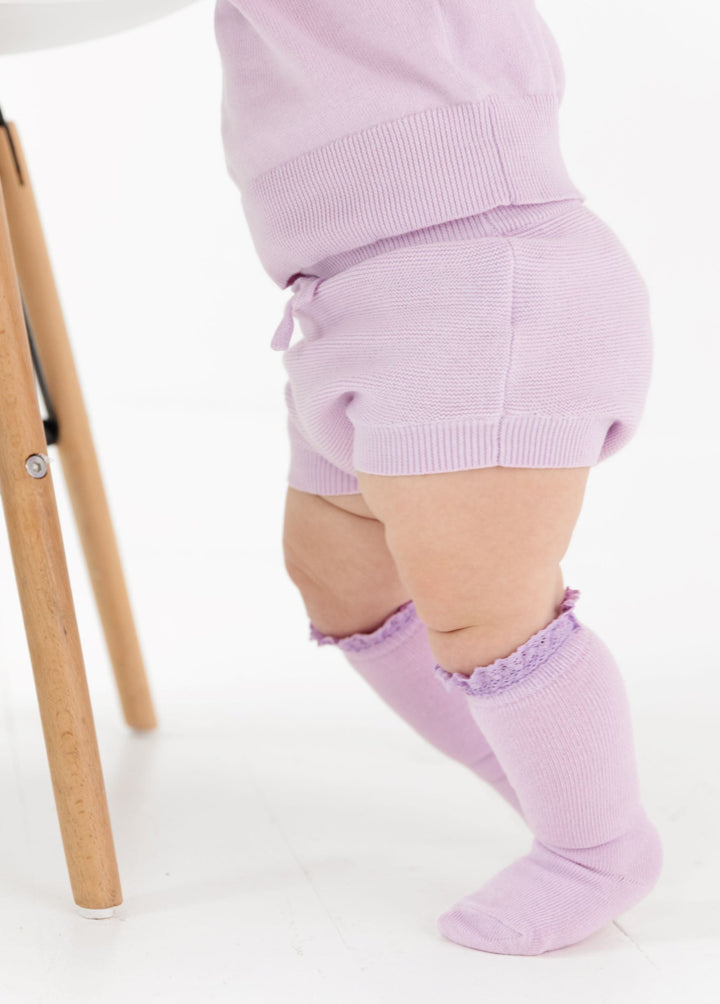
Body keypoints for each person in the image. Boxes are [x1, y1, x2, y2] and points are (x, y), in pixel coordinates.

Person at [213, 0, 663, 956]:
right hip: (346, 291)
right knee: (341, 572)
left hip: (473, 267)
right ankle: (539, 766)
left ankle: (596, 846)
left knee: (483, 607)